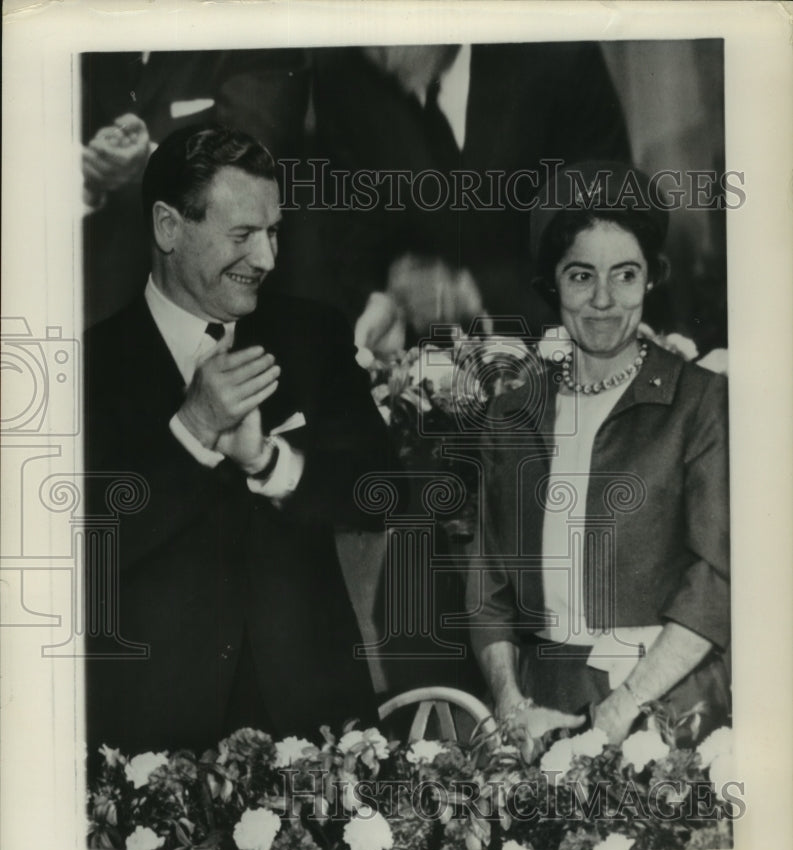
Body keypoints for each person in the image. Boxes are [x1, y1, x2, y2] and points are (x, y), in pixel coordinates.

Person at [84, 126, 401, 760]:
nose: (267, 259)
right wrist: (193, 429)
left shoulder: (312, 335)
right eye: (243, 236)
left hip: (319, 734)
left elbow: (381, 494)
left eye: (274, 232)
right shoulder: (90, 366)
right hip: (158, 751)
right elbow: (80, 556)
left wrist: (269, 462)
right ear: (169, 227)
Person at [467, 162, 730, 748]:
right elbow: (487, 587)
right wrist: (510, 703)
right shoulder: (512, 414)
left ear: (650, 280)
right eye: (582, 276)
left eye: (626, 275)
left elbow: (717, 580)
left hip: (665, 708)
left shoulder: (700, 400)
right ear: (552, 284)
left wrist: (620, 710)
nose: (605, 300)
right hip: (542, 710)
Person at [310, 42, 631, 353]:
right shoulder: (343, 74)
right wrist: (386, 296)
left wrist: (475, 292)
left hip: (568, 347)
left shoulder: (560, 56)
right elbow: (353, 242)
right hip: (429, 363)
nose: (384, 57)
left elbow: (610, 244)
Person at [81, 49, 310, 326]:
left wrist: (150, 161)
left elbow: (250, 164)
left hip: (227, 301)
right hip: (97, 281)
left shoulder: (257, 29)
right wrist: (92, 176)